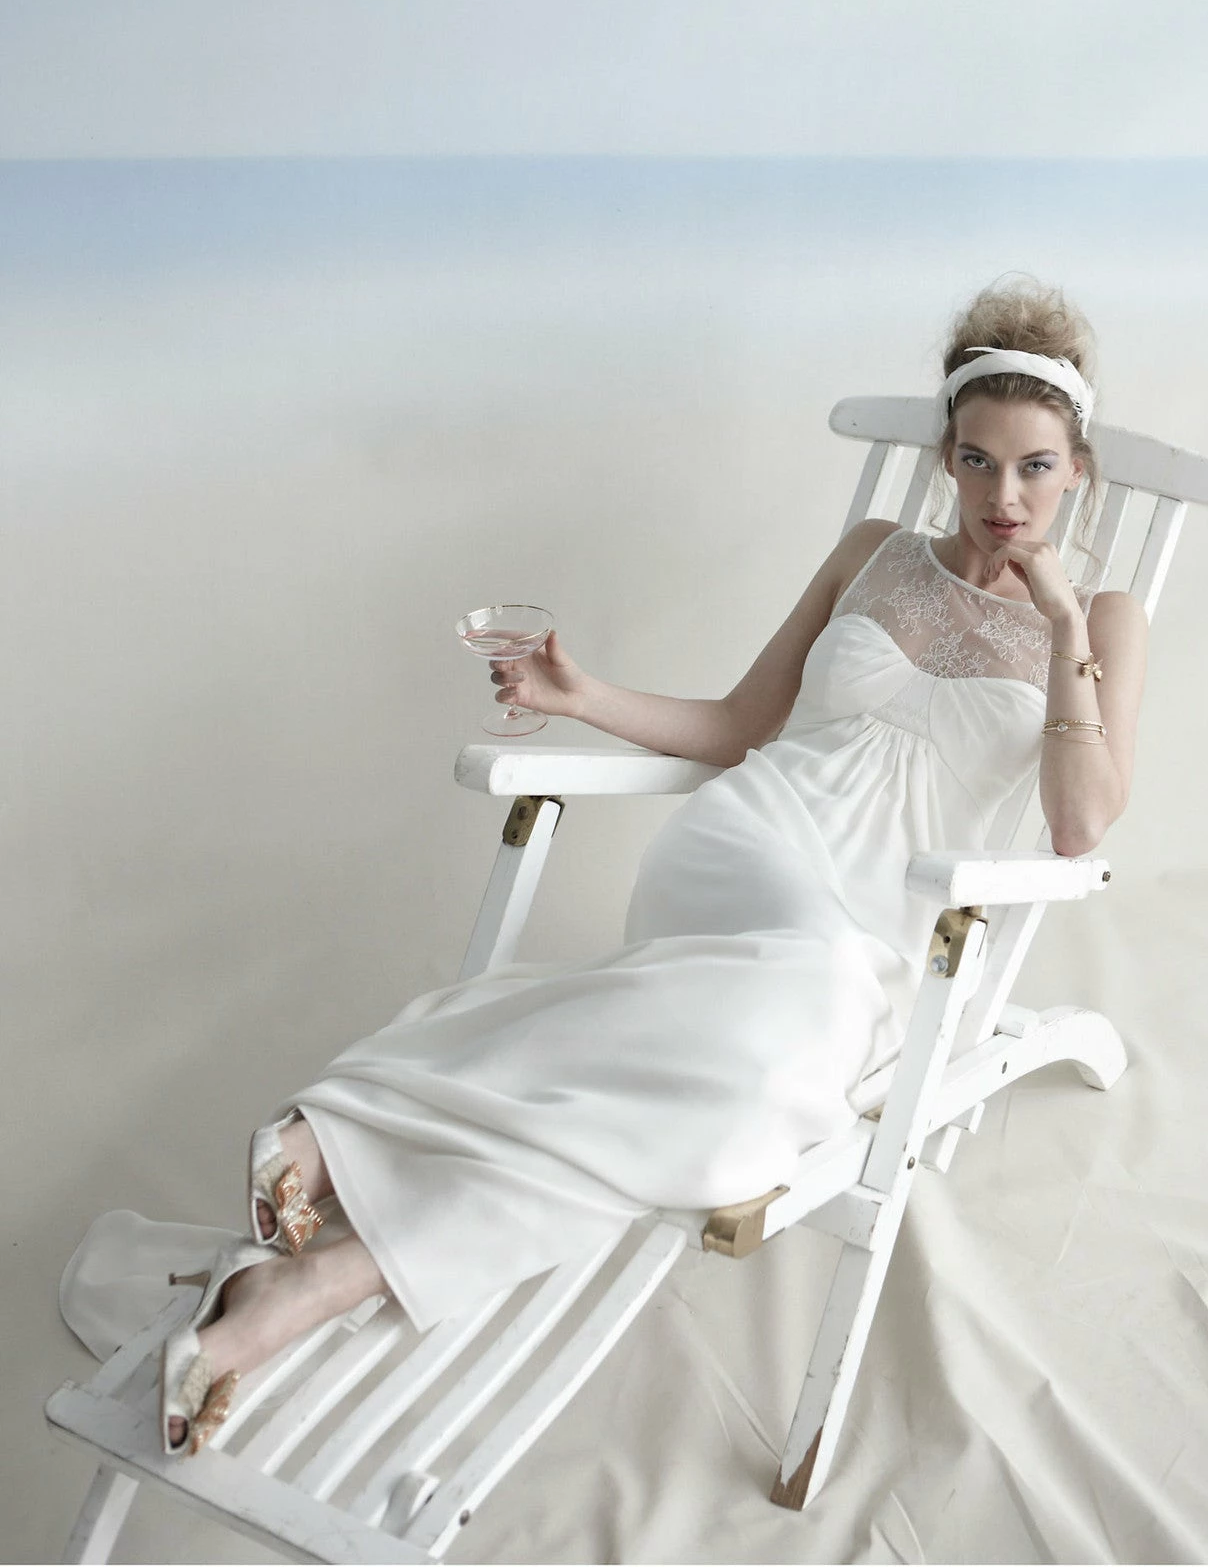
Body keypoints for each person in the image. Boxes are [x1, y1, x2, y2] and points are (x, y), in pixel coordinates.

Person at [148, 276, 1147, 1454]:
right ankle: (334, 1178)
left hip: (891, 926)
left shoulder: (1103, 622)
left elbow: (1076, 824)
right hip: (754, 845)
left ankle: (323, 1234)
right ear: (945, 456)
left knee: (735, 1113)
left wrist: (1062, 626)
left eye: (1033, 466)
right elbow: (736, 727)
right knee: (773, 1047)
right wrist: (583, 697)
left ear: (1076, 470)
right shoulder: (872, 552)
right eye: (975, 460)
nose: (1001, 495)